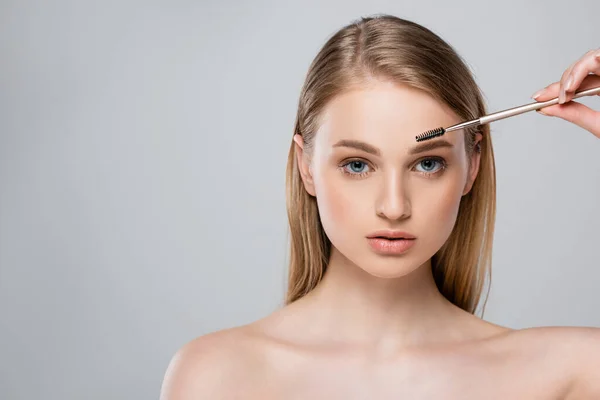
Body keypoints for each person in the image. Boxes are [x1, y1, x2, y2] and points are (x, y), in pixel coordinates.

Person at [160, 15, 600, 399]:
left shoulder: (576, 372)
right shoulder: (215, 376)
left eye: (428, 163)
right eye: (357, 164)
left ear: (472, 168)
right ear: (306, 167)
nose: (394, 207)